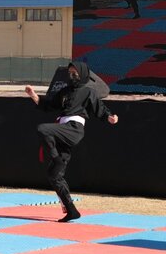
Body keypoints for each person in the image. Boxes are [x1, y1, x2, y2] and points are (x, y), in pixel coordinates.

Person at [25, 61, 118, 222]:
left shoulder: (88, 92)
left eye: (75, 72)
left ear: (82, 73)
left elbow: (100, 109)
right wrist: (33, 95)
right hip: (63, 129)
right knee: (54, 174)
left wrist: (110, 117)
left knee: (42, 129)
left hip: (74, 128)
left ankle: (54, 156)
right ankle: (72, 210)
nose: (72, 75)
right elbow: (48, 105)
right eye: (70, 72)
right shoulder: (64, 91)